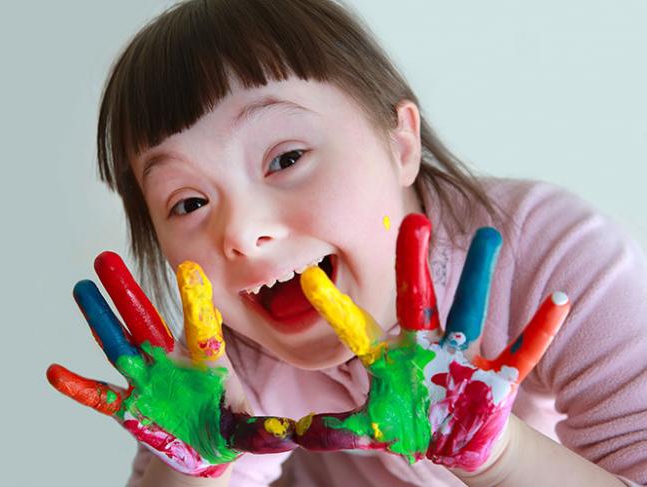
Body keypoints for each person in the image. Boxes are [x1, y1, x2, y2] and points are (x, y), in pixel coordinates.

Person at [55, 0, 647, 485]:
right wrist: (201, 470)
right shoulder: (221, 361)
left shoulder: (550, 257)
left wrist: (499, 457)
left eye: (286, 159)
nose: (238, 232)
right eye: (188, 203)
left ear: (400, 144)